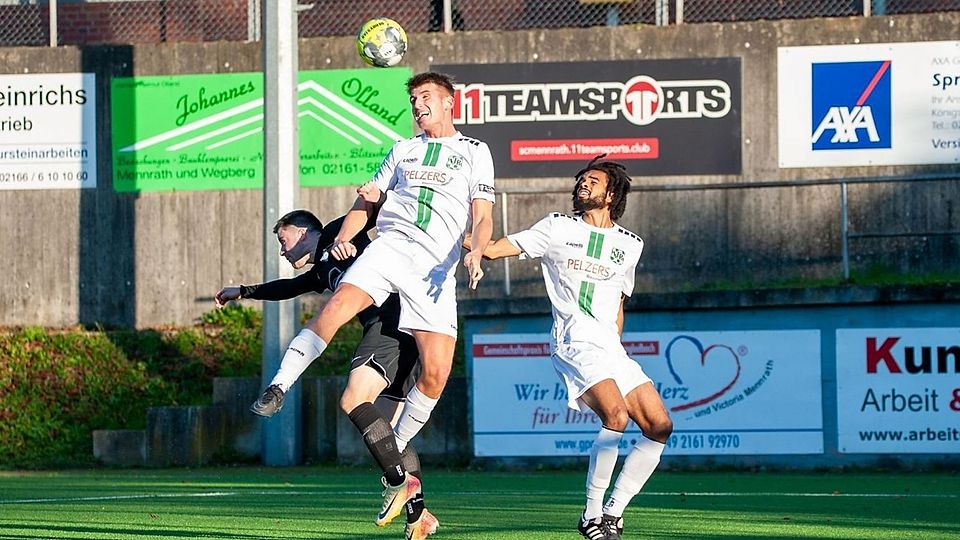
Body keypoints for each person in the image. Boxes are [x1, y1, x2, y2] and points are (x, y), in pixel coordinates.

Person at [249, 71, 495, 533]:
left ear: (448, 103)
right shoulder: (403, 149)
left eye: (425, 97)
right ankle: (280, 384)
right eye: (413, 99)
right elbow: (369, 204)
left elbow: (482, 214)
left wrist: (478, 248)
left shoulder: (475, 152)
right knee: (337, 306)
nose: (418, 105)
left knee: (437, 375)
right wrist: (343, 238)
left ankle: (400, 475)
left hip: (434, 271)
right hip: (391, 246)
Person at [472, 155, 672, 540]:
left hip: (610, 347)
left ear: (611, 193)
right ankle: (592, 515)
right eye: (581, 180)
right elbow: (496, 248)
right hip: (574, 339)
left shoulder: (631, 244)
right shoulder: (556, 227)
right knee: (615, 417)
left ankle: (613, 512)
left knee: (660, 425)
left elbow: (618, 302)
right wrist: (457, 242)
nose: (583, 185)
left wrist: (615, 345)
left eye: (592, 181)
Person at [215, 209, 438, 540]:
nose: (282, 250)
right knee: (390, 434)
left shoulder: (340, 230)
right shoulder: (320, 273)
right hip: (408, 331)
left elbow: (380, 210)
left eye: (283, 240)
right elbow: (287, 288)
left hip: (390, 324)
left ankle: (398, 482)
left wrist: (354, 233)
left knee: (352, 400)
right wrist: (245, 291)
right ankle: (418, 514)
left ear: (303, 232)